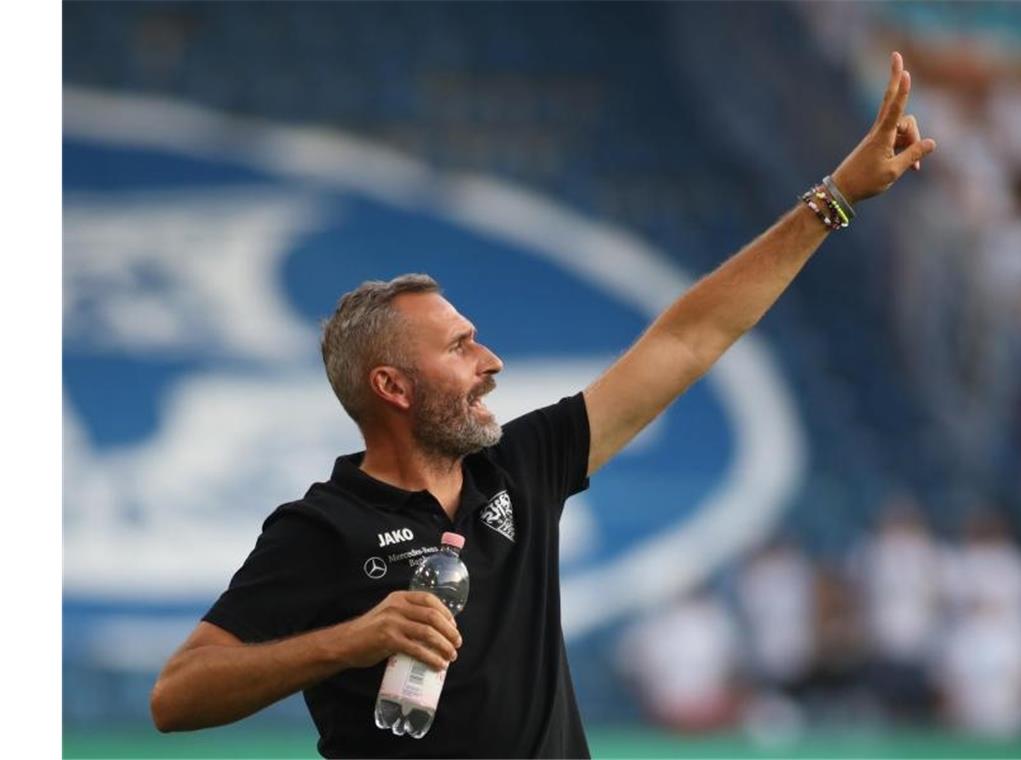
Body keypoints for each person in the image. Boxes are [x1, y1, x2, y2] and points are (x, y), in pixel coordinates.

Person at [149, 52, 935, 758]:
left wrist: (832, 200)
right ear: (392, 387)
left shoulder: (521, 467)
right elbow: (178, 696)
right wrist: (348, 641)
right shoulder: (322, 527)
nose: (490, 362)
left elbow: (688, 339)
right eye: (459, 348)